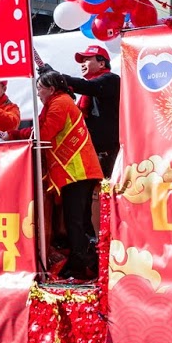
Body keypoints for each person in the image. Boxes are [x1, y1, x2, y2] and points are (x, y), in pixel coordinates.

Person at [37, 71, 105, 281]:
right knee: (80, 221)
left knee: (75, 221)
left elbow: (44, 133)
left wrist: (18, 135)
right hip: (78, 171)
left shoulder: (59, 104)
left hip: (76, 171)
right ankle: (83, 262)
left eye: (40, 88)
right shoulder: (58, 102)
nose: (37, 93)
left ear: (51, 89)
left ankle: (86, 263)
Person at [37, 44, 121, 173]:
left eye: (87, 59)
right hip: (91, 153)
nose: (82, 64)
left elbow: (88, 86)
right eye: (81, 61)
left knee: (108, 191)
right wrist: (57, 81)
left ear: (102, 63)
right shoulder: (88, 92)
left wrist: (56, 77)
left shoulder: (111, 80)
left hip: (109, 153)